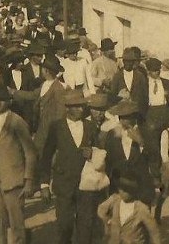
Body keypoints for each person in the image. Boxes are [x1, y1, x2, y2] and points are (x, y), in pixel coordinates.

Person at [0, 84, 36, 244]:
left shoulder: (17, 122)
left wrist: (29, 180)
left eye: (2, 100)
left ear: (9, 101)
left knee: (16, 222)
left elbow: (30, 152)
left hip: (13, 179)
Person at [39, 90, 97, 244]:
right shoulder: (56, 127)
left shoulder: (90, 126)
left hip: (86, 184)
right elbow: (46, 156)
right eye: (77, 107)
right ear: (67, 108)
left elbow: (101, 153)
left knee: (86, 227)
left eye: (82, 106)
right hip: (63, 183)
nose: (81, 110)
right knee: (65, 226)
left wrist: (93, 153)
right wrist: (44, 184)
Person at [96, 175, 161, 244]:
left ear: (133, 192)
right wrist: (108, 222)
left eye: (126, 190)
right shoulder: (115, 199)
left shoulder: (141, 208)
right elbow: (101, 209)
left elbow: (153, 230)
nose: (122, 192)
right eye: (121, 189)